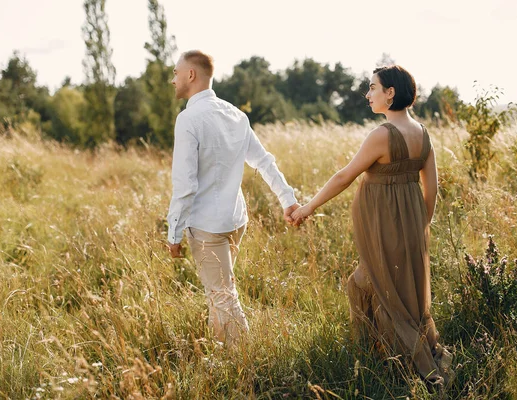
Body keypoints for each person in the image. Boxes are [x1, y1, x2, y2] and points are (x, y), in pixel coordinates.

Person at [291, 65, 453, 386]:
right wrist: (420, 227)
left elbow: (344, 176)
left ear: (390, 93)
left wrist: (307, 207)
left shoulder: (382, 135)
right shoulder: (423, 134)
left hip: (382, 227)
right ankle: (376, 354)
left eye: (373, 87)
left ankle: (392, 366)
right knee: (377, 287)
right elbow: (431, 189)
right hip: (412, 225)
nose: (368, 94)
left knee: (379, 292)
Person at [166, 50, 299, 347]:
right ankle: (224, 354)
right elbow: (264, 161)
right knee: (221, 291)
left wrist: (173, 232)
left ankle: (246, 364)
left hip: (208, 228)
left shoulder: (188, 119)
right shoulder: (236, 114)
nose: (172, 79)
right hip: (236, 221)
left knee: (223, 296)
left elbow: (185, 185)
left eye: (176, 73)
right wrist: (287, 199)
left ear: (191, 75)